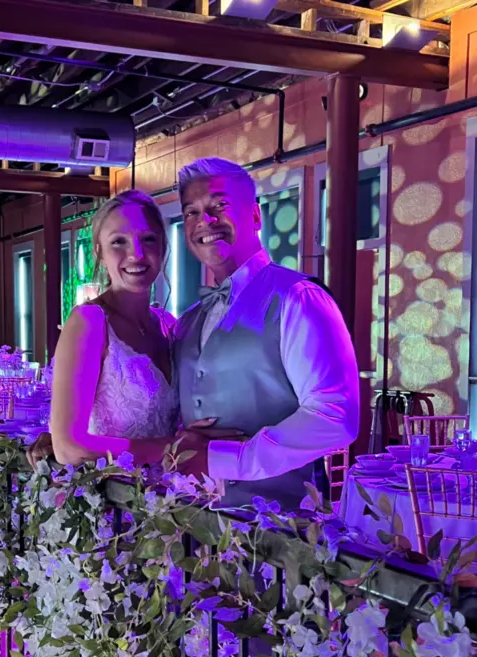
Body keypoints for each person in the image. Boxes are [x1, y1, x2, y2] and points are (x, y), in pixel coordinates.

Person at [172, 157, 359, 511]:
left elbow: (335, 415)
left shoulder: (299, 298)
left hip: (280, 528)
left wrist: (229, 459)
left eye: (220, 206)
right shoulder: (189, 320)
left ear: (256, 216)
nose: (205, 221)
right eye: (191, 212)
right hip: (196, 523)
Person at [33, 189, 235, 472]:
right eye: (119, 242)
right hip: (116, 493)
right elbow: (68, 448)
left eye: (148, 239)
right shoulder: (90, 321)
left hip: (172, 491)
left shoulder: (169, 324)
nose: (136, 254)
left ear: (163, 247)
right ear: (99, 253)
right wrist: (174, 446)